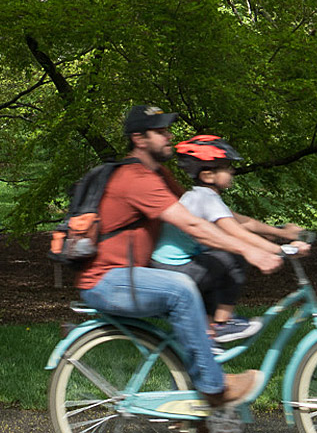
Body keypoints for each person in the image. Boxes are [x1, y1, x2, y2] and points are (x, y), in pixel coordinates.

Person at [74, 105, 296, 418]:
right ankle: (215, 389)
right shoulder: (134, 177)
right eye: (161, 131)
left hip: (135, 276)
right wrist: (251, 252)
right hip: (107, 280)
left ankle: (200, 412)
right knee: (181, 288)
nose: (170, 136)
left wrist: (277, 234)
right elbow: (193, 226)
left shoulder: (158, 174)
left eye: (168, 129)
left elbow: (213, 217)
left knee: (209, 268)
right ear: (139, 138)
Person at [150, 134, 306, 344]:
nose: (232, 171)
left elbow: (245, 223)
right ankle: (223, 324)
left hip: (169, 266)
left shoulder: (200, 195)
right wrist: (281, 250)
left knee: (216, 261)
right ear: (208, 176)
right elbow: (237, 233)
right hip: (174, 270)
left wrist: (283, 233)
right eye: (226, 166)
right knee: (232, 257)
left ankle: (207, 333)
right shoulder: (206, 199)